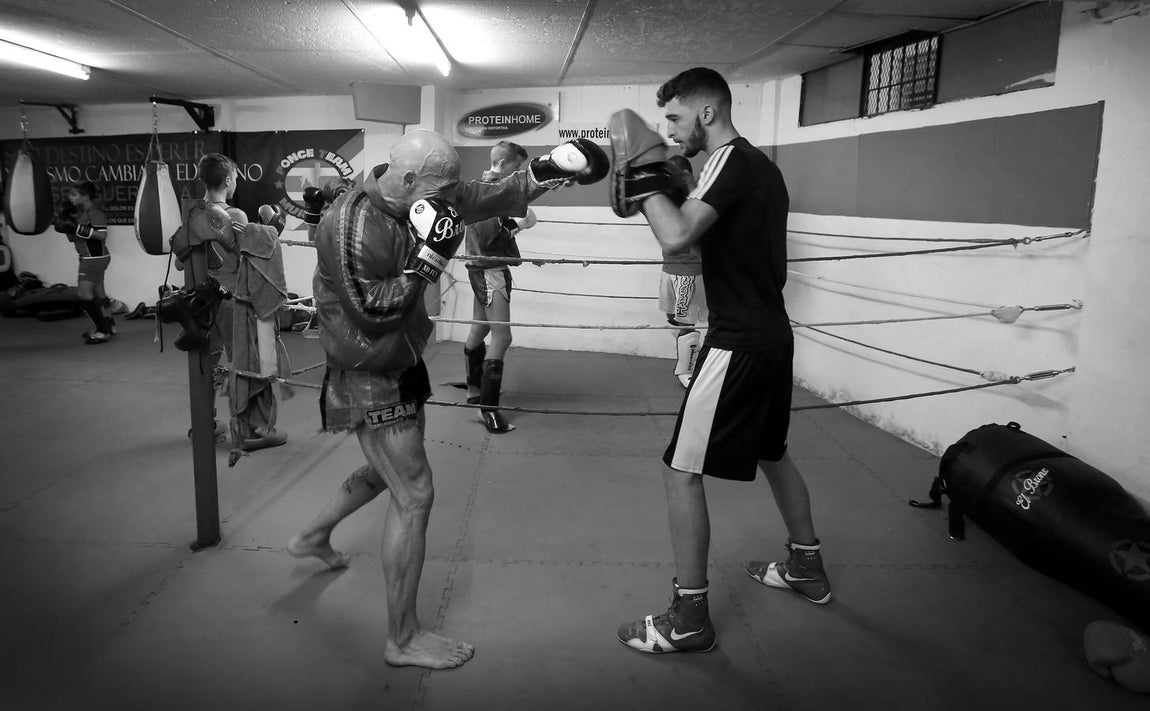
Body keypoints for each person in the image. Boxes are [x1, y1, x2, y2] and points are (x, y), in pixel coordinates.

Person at [286, 129, 607, 669]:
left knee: (381, 471)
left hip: (404, 357)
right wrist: (431, 257)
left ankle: (313, 535)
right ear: (408, 180)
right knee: (414, 492)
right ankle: (403, 639)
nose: (446, 203)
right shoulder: (346, 225)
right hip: (366, 367)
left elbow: (494, 196)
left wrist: (551, 168)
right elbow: (372, 310)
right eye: (437, 193)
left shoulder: (434, 191)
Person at [610, 67, 830, 655]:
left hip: (739, 342)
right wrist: (670, 182)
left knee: (681, 469)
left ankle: (688, 619)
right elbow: (704, 228)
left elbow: (676, 236)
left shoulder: (733, 161)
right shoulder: (745, 167)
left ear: (707, 113)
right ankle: (806, 566)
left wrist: (648, 178)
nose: (672, 131)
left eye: (676, 119)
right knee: (772, 452)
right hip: (772, 337)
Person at [461, 140, 539, 433]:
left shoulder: (481, 187)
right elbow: (487, 236)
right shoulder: (492, 191)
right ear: (504, 164)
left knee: (478, 331)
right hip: (490, 270)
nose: (517, 172)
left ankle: (473, 392)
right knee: (502, 338)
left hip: (481, 269)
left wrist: (516, 222)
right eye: (516, 166)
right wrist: (519, 225)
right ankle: (488, 410)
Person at [658, 155, 707, 388]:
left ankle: (688, 372)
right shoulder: (669, 197)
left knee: (685, 323)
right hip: (669, 267)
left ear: (685, 176)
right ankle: (692, 363)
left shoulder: (698, 198)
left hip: (687, 271)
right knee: (673, 319)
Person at [54, 181, 113, 345]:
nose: (70, 198)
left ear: (85, 196)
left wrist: (76, 229)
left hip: (92, 258)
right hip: (92, 257)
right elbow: (73, 238)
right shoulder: (82, 214)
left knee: (84, 296)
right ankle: (110, 326)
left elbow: (102, 236)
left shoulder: (95, 212)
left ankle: (102, 331)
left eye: (74, 195)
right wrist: (66, 222)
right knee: (99, 294)